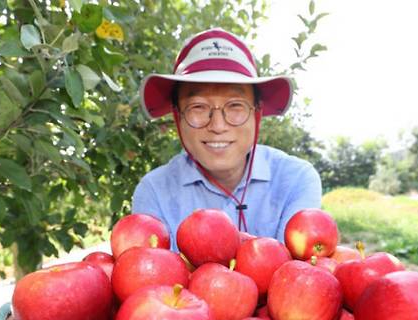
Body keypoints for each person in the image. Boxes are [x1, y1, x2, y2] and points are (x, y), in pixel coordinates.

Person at [133, 28, 321, 251]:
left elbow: (298, 275)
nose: (218, 126)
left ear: (257, 113)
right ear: (177, 116)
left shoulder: (296, 180)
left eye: (235, 106)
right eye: (198, 107)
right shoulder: (154, 191)